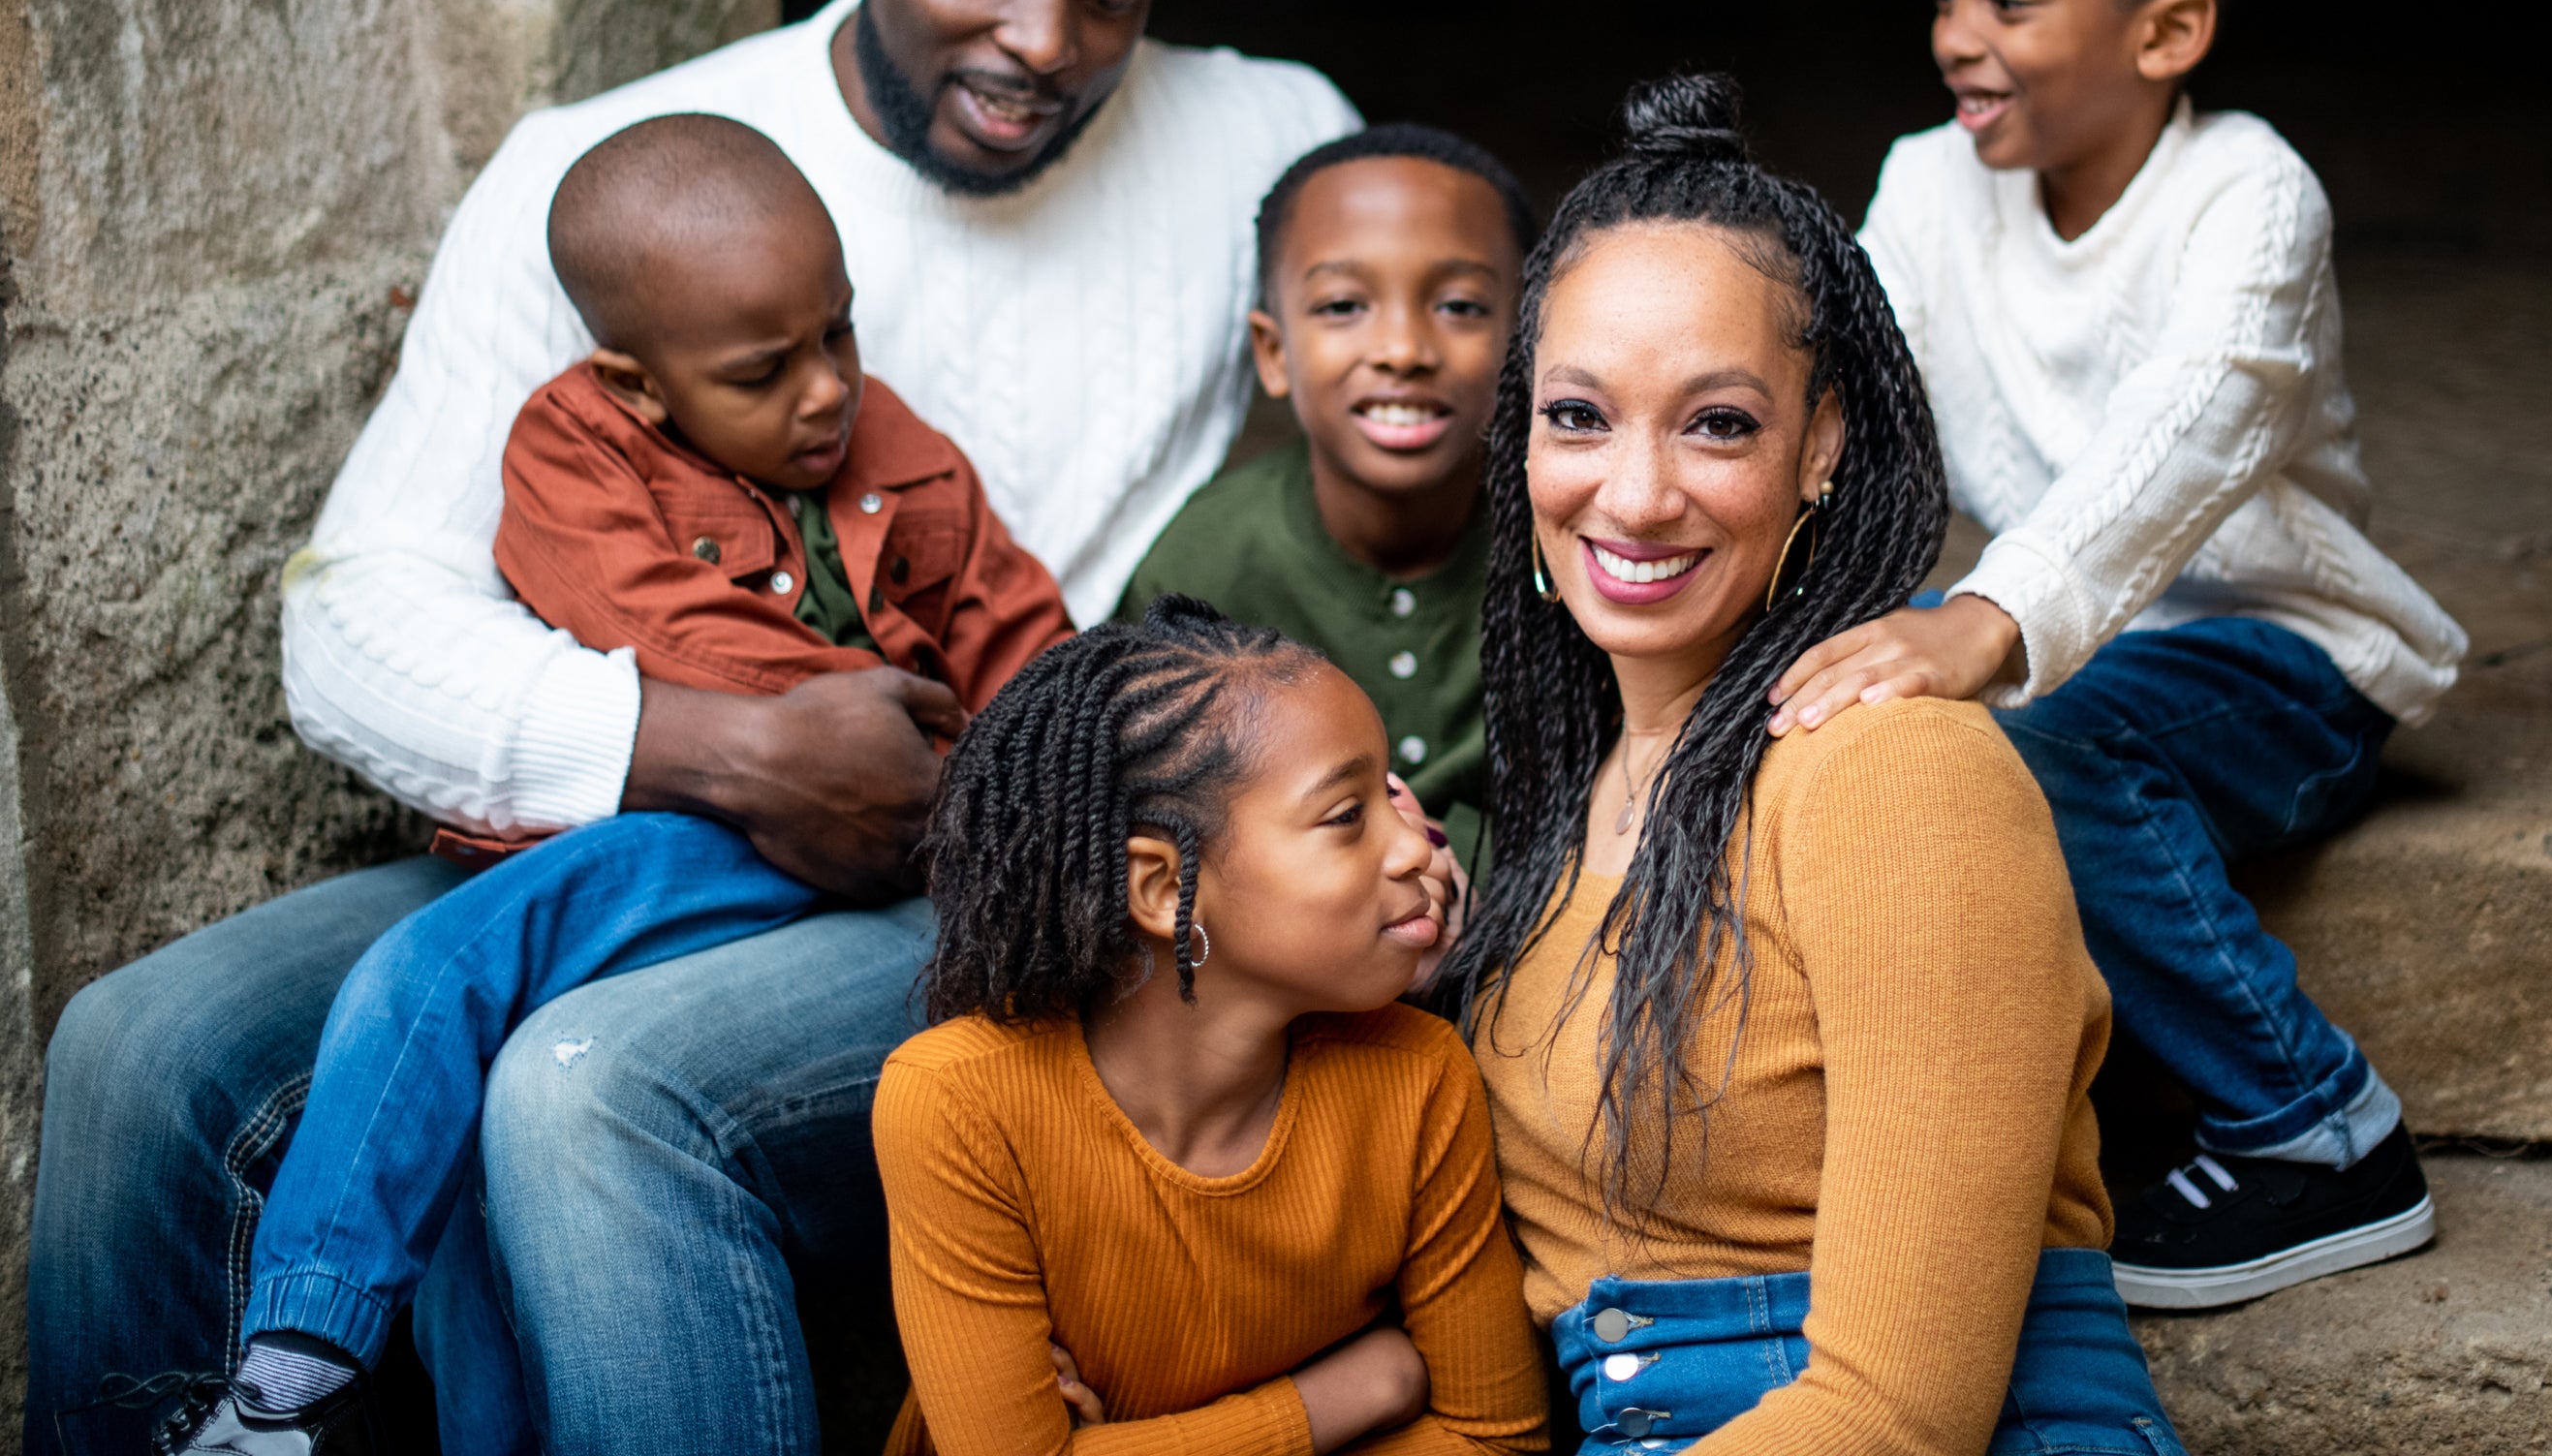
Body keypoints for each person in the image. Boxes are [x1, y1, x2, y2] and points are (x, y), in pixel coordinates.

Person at [29, 0, 1364, 1454]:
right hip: (651, 813)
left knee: (587, 1089)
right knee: (138, 1046)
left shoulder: (1268, 142)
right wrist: (711, 743)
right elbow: (352, 631)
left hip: (988, 863)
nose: (1045, 43)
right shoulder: (611, 184)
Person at [157, 115, 1073, 1453]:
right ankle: (302, 1352)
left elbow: (1018, 640)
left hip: (885, 854)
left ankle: (307, 1363)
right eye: (767, 370)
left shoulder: (902, 451)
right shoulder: (576, 452)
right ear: (641, 386)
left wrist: (1022, 785)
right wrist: (854, 740)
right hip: (692, 825)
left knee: (510, 1037)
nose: (826, 391)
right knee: (441, 981)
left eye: (841, 334)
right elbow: (672, 641)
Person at [1765, 0, 2469, 1309]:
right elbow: (1855, 410)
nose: (1958, 35)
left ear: (2167, 34)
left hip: (2282, 655)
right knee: (1845, 713)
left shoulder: (2248, 195)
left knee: (2039, 744)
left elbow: (2190, 433)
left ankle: (2317, 1130)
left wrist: (1989, 620)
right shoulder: (1929, 182)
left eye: (2009, 1)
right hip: (2063, 629)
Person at [1446, 75, 2181, 1454]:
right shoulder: (1568, 794)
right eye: (1579, 416)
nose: (1637, 492)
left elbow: (1898, 1413)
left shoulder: (1894, 776)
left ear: (1822, 442)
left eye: (1717, 423)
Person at [875, 598, 1547, 1455]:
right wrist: (1359, 1390)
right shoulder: (957, 1105)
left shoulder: (1419, 1077)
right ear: (1160, 888)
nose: (1417, 846)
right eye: (1347, 817)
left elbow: (1496, 1442)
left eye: (1388, 795)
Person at [1116, 124, 1536, 883]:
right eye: (1344, 305)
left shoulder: (1583, 542)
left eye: (1461, 306)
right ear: (1273, 354)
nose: (1404, 348)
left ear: (1528, 344)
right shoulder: (1205, 566)